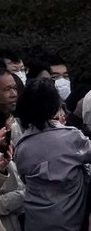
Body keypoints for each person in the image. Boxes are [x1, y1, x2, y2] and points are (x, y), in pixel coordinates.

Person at [14, 76, 91, 230]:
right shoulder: (71, 137)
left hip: (35, 221)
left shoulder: (22, 145)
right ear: (55, 105)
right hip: (69, 221)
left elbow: (23, 177)